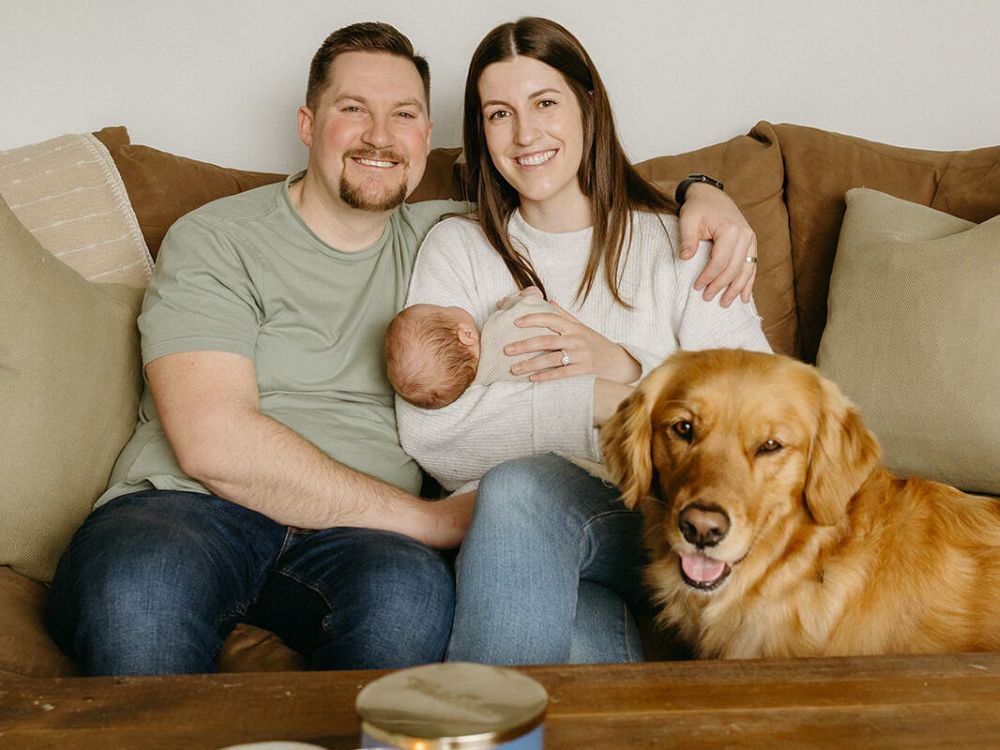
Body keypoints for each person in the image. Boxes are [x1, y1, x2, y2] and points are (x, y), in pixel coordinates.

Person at [45, 19, 760, 675]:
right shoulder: (247, 238)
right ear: (307, 123)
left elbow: (759, 399)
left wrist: (705, 194)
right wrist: (435, 517)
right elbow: (223, 440)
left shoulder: (471, 228)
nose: (380, 137)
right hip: (192, 506)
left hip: (377, 533)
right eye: (353, 109)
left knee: (410, 602)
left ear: (429, 140)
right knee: (137, 598)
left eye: (406, 115)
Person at [396, 17, 773, 666]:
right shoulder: (457, 248)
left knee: (517, 489)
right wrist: (600, 398)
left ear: (588, 106)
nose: (524, 134)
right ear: (481, 134)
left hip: (657, 520)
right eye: (498, 113)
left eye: (545, 103)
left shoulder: (679, 246)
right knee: (578, 637)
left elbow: (761, 413)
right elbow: (433, 435)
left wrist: (629, 370)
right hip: (517, 549)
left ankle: (470, 729)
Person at [384, 287, 555, 410]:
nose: (448, 306)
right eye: (444, 309)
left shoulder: (488, 385)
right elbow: (530, 302)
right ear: (466, 335)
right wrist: (520, 297)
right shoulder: (496, 326)